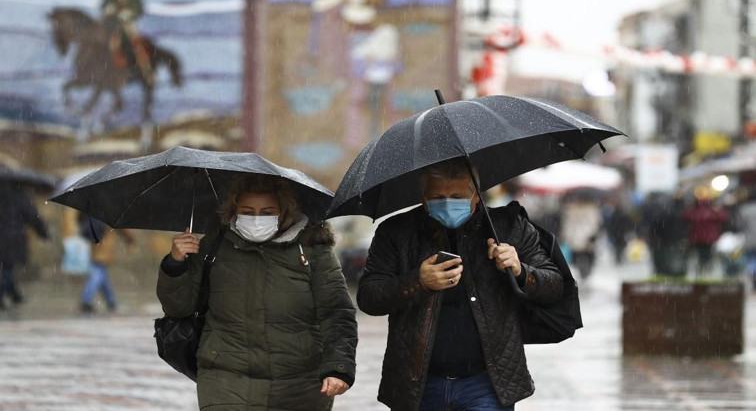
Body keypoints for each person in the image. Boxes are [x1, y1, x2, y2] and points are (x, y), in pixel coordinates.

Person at [356, 158, 563, 410]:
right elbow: (368, 297)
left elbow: (554, 285)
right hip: (417, 384)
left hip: (487, 382)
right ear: (422, 198)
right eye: (437, 196)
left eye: (457, 196)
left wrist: (520, 271)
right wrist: (418, 282)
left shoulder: (508, 227)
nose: (447, 202)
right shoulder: (396, 232)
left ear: (477, 196)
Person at [156, 174, 357, 410]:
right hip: (225, 379)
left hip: (299, 383)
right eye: (248, 212)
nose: (257, 219)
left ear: (283, 211)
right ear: (234, 210)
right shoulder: (214, 246)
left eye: (267, 212)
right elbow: (179, 306)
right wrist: (176, 263)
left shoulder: (312, 249)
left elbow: (336, 312)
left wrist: (338, 367)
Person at [0, 183, 49, 311]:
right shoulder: (22, 198)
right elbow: (33, 217)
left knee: (6, 266)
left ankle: (15, 295)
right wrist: (43, 232)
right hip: (13, 239)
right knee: (7, 269)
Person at [101, 0, 152, 84]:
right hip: (111, 25)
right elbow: (103, 6)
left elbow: (140, 9)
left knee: (136, 45)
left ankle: (147, 73)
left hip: (127, 24)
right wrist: (108, 9)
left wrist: (130, 13)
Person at [79, 213, 135, 313]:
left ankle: (110, 300)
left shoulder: (91, 211)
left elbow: (81, 222)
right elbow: (122, 229)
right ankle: (86, 300)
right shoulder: (109, 213)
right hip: (103, 248)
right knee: (97, 275)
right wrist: (130, 240)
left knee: (102, 275)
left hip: (94, 246)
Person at [681, 195, 729, 276]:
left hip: (697, 238)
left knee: (700, 254)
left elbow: (684, 217)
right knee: (708, 254)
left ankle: (701, 268)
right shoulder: (712, 211)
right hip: (710, 238)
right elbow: (724, 218)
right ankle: (707, 268)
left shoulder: (694, 212)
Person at [560, 196, 603, 280]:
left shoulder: (571, 208)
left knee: (579, 255)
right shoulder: (592, 208)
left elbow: (567, 224)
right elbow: (597, 223)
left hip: (577, 237)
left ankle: (583, 271)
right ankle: (586, 271)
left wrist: (566, 236)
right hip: (587, 237)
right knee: (588, 255)